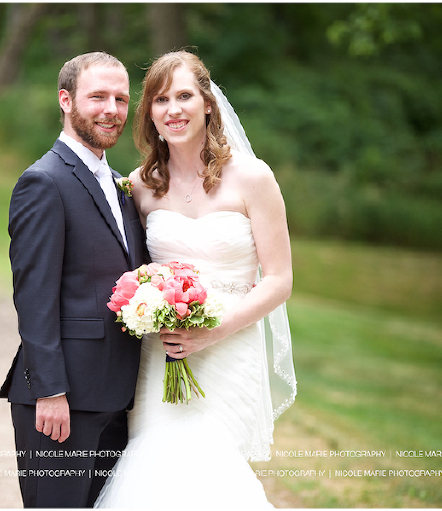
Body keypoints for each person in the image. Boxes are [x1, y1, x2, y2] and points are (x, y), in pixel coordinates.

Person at [94, 51, 297, 508]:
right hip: (163, 353)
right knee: (154, 470)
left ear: (208, 103)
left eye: (185, 95)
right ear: (150, 113)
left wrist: (215, 329)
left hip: (229, 348)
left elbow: (279, 279)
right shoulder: (141, 187)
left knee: (211, 471)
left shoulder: (253, 178)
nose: (174, 109)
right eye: (161, 99)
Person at [0, 52, 148, 508]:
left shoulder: (121, 184)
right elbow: (34, 295)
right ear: (66, 100)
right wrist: (51, 391)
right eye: (98, 97)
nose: (112, 110)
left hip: (116, 396)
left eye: (121, 99)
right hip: (62, 402)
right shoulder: (43, 182)